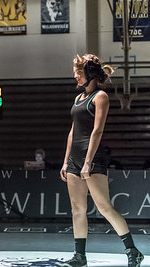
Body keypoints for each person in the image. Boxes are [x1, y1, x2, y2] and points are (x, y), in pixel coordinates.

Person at [57, 54, 143, 267]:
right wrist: (66, 161)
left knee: (104, 207)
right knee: (77, 208)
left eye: (79, 72)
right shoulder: (78, 99)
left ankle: (133, 251)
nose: (75, 75)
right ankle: (80, 256)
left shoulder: (100, 97)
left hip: (93, 158)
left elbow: (97, 131)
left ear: (91, 74)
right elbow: (72, 131)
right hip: (74, 159)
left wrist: (87, 162)